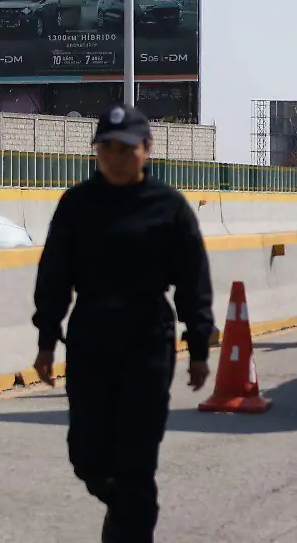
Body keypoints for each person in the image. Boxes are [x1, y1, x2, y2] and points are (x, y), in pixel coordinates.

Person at [30, 103, 216, 543]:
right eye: (106, 148)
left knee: (136, 459)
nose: (115, 157)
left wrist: (200, 348)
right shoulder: (77, 205)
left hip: (147, 337)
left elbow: (194, 281)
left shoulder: (168, 207)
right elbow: (54, 276)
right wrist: (45, 342)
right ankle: (129, 510)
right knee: (87, 457)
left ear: (146, 150)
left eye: (125, 148)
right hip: (92, 334)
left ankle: (132, 519)